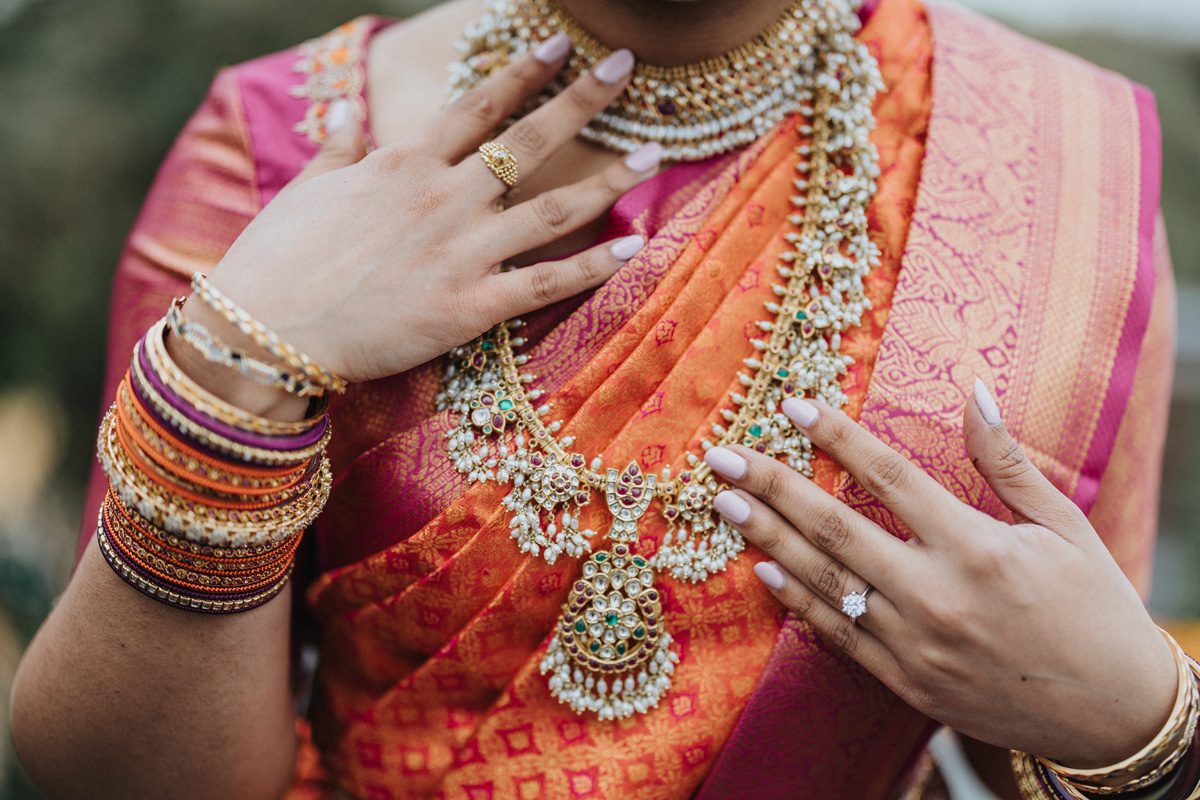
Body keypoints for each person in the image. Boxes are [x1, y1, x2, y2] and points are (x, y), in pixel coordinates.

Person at [9, 0, 1191, 797]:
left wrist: (1144, 724)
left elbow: (1027, 709)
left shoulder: (1050, 165)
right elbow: (123, 771)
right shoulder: (288, 142)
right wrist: (241, 359)